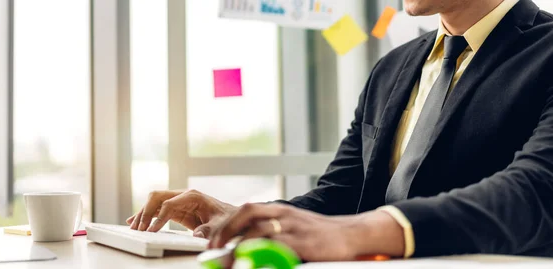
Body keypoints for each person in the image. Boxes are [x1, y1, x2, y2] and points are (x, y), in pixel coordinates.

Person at [128, 0, 553, 261]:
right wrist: (244, 219)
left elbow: (535, 189)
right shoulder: (393, 67)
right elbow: (342, 194)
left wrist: (360, 232)